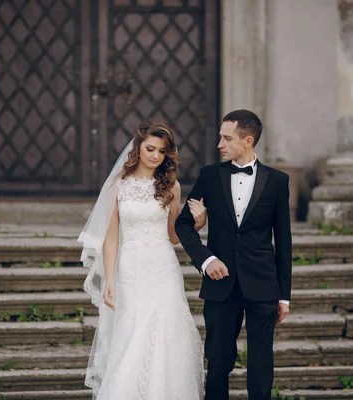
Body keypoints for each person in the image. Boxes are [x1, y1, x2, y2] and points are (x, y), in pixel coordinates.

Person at [79, 119, 205, 400]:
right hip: (131, 269)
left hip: (164, 268)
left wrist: (198, 223)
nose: (155, 156)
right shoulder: (117, 185)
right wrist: (109, 279)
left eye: (161, 152)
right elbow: (111, 237)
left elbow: (173, 236)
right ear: (137, 146)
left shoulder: (171, 185)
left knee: (168, 332)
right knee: (133, 334)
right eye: (150, 148)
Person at [175, 109, 293, 400]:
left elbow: (284, 240)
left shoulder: (277, 181)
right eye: (220, 138)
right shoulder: (209, 176)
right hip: (220, 286)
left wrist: (284, 295)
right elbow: (183, 225)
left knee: (261, 364)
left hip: (263, 286)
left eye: (226, 138)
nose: (220, 144)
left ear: (248, 141)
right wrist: (205, 259)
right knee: (217, 361)